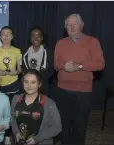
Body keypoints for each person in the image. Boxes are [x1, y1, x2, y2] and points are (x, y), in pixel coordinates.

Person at [54, 13, 105, 144]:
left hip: (83, 91)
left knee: (79, 125)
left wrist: (79, 66)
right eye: (68, 25)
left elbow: (100, 64)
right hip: (62, 90)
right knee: (63, 124)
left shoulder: (93, 42)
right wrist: (64, 66)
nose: (70, 28)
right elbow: (56, 64)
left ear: (81, 25)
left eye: (74, 24)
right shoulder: (60, 43)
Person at [11, 69, 61, 145]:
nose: (29, 86)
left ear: (39, 84)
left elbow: (57, 127)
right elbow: (12, 118)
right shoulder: (16, 99)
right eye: (26, 82)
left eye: (33, 82)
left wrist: (37, 139)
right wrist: (16, 132)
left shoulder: (49, 103)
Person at [0, 26, 21, 144]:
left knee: (12, 112)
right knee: (0, 112)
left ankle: (9, 136)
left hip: (13, 85)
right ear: (0, 37)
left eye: (9, 34)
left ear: (12, 36)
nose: (6, 36)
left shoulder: (17, 51)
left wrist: (16, 71)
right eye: (3, 34)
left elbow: (20, 69)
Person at [21, 26, 54, 96]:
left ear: (42, 38)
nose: (35, 38)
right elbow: (22, 68)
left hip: (43, 86)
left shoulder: (49, 52)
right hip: (28, 86)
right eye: (33, 36)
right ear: (30, 38)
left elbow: (51, 69)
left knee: (42, 105)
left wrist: (39, 80)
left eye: (38, 35)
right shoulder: (24, 52)